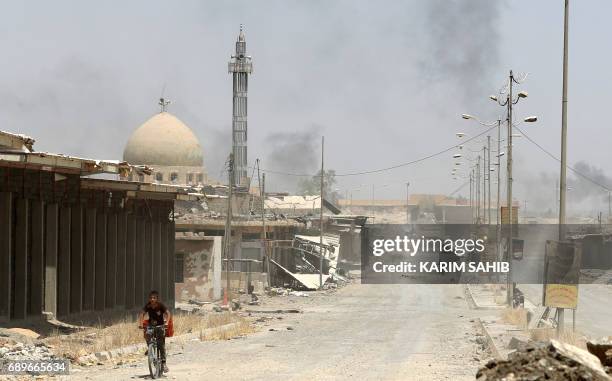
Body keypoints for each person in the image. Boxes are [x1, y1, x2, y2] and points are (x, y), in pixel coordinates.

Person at [138, 290, 171, 373]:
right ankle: (150, 348)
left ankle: (164, 364)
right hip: (151, 325)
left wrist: (166, 322)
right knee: (147, 334)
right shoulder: (148, 306)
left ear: (157, 299)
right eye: (151, 298)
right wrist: (141, 324)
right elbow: (142, 314)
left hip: (160, 326)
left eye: (154, 298)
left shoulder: (160, 306)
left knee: (161, 345)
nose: (152, 299)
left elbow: (168, 313)